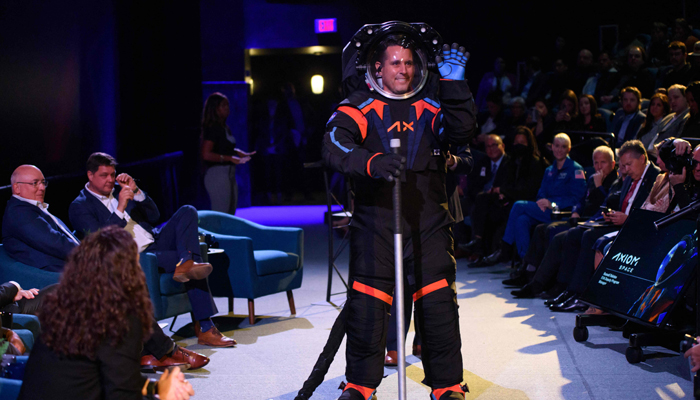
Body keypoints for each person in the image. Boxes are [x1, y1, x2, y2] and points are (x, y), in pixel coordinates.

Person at [322, 22, 476, 400]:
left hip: (429, 223)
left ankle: (447, 384)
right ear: (377, 68)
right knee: (368, 304)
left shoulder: (434, 104)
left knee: (438, 301)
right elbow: (332, 145)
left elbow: (461, 132)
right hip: (377, 221)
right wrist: (371, 163)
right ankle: (360, 384)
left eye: (408, 62)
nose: (403, 70)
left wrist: (455, 87)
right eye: (394, 63)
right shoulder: (359, 106)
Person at [2, 165, 209, 371]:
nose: (41, 187)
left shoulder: (33, 210)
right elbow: (55, 243)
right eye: (34, 183)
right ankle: (163, 350)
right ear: (17, 188)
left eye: (43, 182)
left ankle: (151, 351)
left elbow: (153, 215)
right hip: (48, 278)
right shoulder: (20, 213)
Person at [69, 152, 235, 348]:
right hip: (135, 256)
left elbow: (154, 216)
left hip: (155, 242)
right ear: (90, 175)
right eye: (104, 175)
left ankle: (186, 261)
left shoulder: (121, 189)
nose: (110, 180)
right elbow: (102, 240)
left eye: (113, 175)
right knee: (193, 263)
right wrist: (121, 207)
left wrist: (137, 191)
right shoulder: (79, 206)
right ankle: (206, 327)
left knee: (188, 210)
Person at [18, 226, 195, 400]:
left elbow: (110, 376)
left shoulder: (62, 307)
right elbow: (121, 394)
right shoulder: (120, 318)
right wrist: (163, 396)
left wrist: (154, 387)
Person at [550, 140, 661, 312]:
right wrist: (611, 214)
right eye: (623, 165)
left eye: (629, 164)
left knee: (589, 237)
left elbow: (652, 213)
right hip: (620, 222)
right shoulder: (630, 177)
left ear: (642, 159)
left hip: (635, 228)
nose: (626, 169)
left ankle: (581, 293)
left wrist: (627, 218)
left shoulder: (655, 177)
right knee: (575, 234)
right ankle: (569, 289)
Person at [485, 133, 586, 264]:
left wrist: (553, 203)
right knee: (522, 220)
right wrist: (542, 201)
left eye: (563, 146)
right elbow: (541, 193)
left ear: (569, 149)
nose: (559, 149)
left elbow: (578, 198)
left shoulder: (576, 169)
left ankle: (505, 247)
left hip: (560, 212)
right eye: (556, 146)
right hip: (546, 210)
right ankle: (526, 263)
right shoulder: (549, 169)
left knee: (519, 205)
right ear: (552, 147)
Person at [463, 127, 545, 263]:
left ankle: (501, 250)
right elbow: (506, 184)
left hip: (524, 202)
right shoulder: (512, 162)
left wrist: (503, 191)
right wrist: (502, 192)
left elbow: (528, 191)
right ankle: (478, 241)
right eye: (517, 142)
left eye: (522, 142)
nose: (519, 145)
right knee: (482, 199)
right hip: (509, 200)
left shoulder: (536, 163)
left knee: (506, 211)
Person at [200, 92, 255, 215]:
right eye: (223, 106)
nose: (227, 109)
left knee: (230, 214)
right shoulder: (213, 128)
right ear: (215, 108)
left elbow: (222, 147)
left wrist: (237, 152)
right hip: (217, 174)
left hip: (228, 174)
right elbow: (206, 154)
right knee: (221, 215)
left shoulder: (223, 127)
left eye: (228, 105)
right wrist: (230, 158)